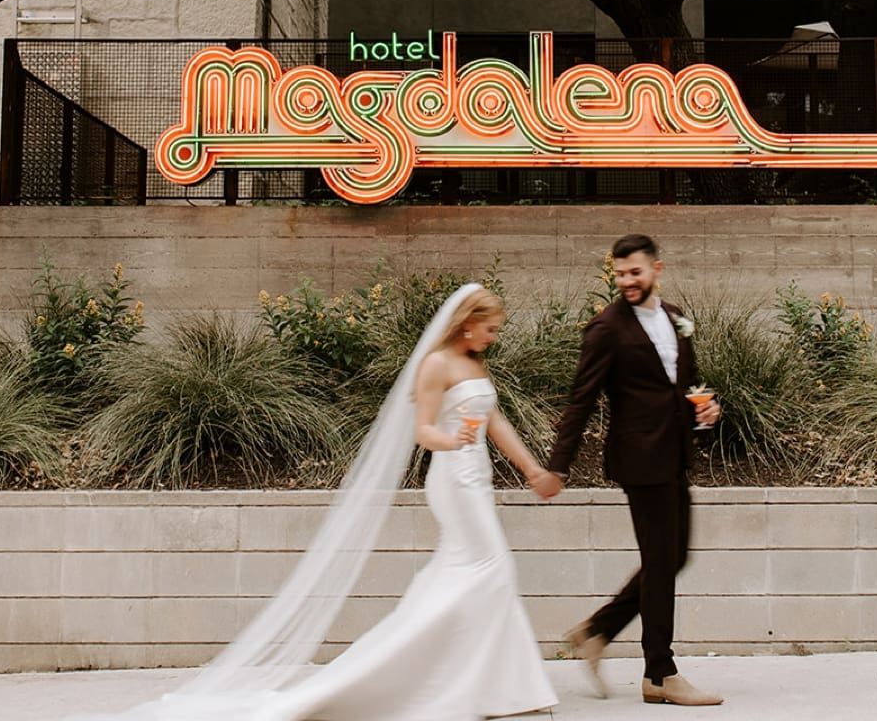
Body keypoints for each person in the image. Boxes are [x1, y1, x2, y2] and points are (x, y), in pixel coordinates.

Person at [94, 284, 559, 721]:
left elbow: (495, 420)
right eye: (491, 328)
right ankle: (479, 682)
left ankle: (478, 680)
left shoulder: (475, 363)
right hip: (454, 479)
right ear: (467, 324)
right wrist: (451, 439)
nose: (494, 338)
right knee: (490, 567)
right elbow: (423, 432)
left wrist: (532, 470)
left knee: (470, 573)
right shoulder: (437, 363)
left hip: (476, 476)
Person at [537, 234, 725, 707]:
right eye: (620, 274)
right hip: (640, 459)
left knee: (675, 558)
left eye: (635, 273)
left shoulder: (676, 316)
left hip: (675, 453)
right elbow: (580, 400)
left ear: (656, 269)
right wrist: (558, 467)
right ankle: (660, 674)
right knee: (663, 562)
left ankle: (596, 631)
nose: (627, 281)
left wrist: (704, 413)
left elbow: (688, 383)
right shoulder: (606, 328)